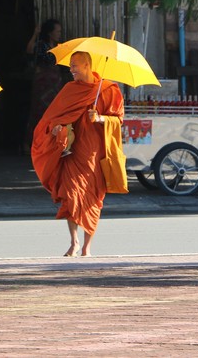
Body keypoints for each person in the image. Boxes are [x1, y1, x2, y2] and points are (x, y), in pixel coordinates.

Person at [31, 51, 125, 257]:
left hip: (94, 153)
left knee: (93, 199)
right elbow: (53, 118)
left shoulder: (109, 90)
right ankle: (74, 242)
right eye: (71, 66)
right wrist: (56, 128)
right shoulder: (69, 89)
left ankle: (87, 247)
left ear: (88, 65)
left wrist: (100, 119)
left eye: (75, 66)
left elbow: (118, 120)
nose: (71, 70)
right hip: (73, 152)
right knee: (71, 194)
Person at [25, 19, 66, 148]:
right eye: (57, 31)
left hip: (56, 85)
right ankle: (36, 142)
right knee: (39, 113)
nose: (59, 34)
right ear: (50, 33)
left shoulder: (59, 46)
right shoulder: (42, 45)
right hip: (43, 85)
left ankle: (51, 142)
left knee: (54, 113)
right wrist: (35, 34)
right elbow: (29, 51)